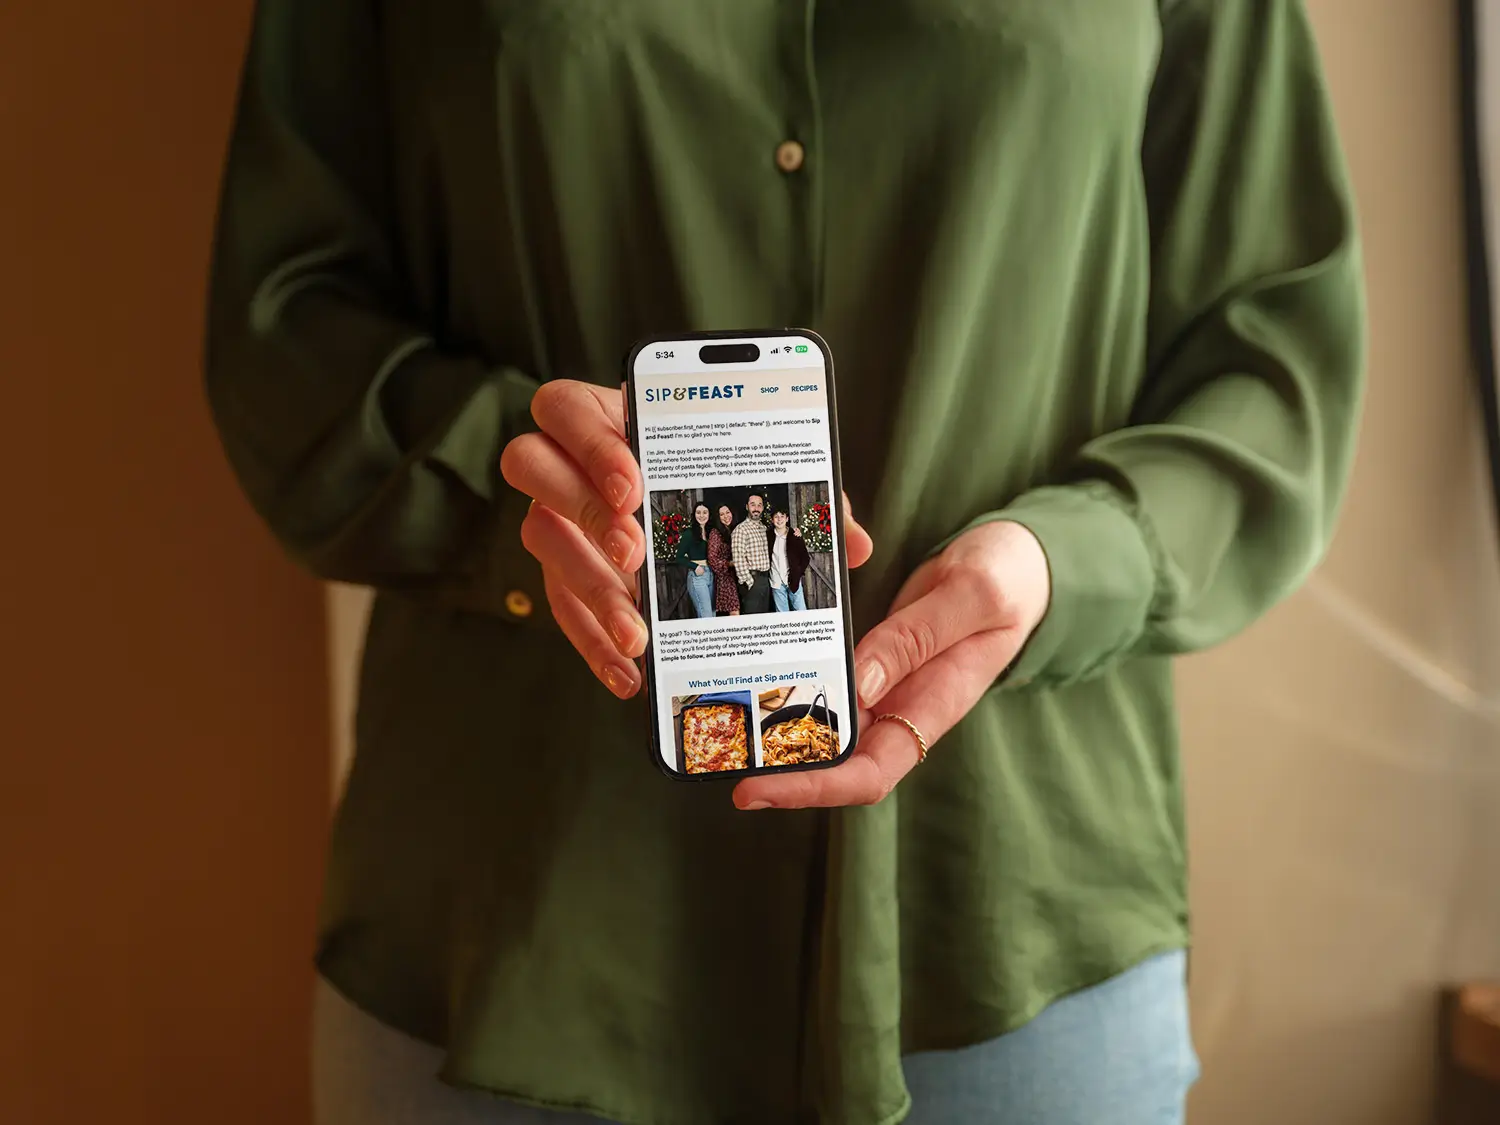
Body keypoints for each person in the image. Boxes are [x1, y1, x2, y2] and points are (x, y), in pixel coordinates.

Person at [205, 3, 1364, 1124]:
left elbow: (1271, 361)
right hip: (517, 928)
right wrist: (525, 479)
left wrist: (1064, 564)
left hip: (1013, 923)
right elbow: (286, 324)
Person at [730, 492, 773, 614]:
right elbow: (738, 559)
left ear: (763, 508)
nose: (756, 508)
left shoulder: (763, 528)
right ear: (747, 507)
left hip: (765, 579)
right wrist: (749, 582)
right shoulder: (741, 529)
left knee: (764, 616)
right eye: (753, 505)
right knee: (752, 618)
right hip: (752, 580)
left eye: (759, 505)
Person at [676, 502, 714, 619]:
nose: (701, 516)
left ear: (709, 514)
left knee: (713, 613)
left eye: (705, 512)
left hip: (711, 574)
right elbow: (679, 557)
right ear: (694, 514)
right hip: (698, 576)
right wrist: (695, 566)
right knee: (706, 615)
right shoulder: (689, 533)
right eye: (698, 513)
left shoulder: (711, 533)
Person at [768, 507, 810, 613]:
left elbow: (805, 558)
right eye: (776, 517)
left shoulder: (795, 535)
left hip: (793, 579)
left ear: (787, 519)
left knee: (801, 611)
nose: (779, 519)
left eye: (782, 516)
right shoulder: (768, 536)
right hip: (776, 581)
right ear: (772, 520)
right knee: (782, 613)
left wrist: (798, 572)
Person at [706, 504, 741, 618]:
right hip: (725, 578)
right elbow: (712, 559)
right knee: (734, 611)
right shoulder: (715, 533)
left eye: (727, 512)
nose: (726, 516)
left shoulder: (736, 530)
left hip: (738, 575)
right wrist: (729, 563)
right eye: (722, 514)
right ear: (718, 518)